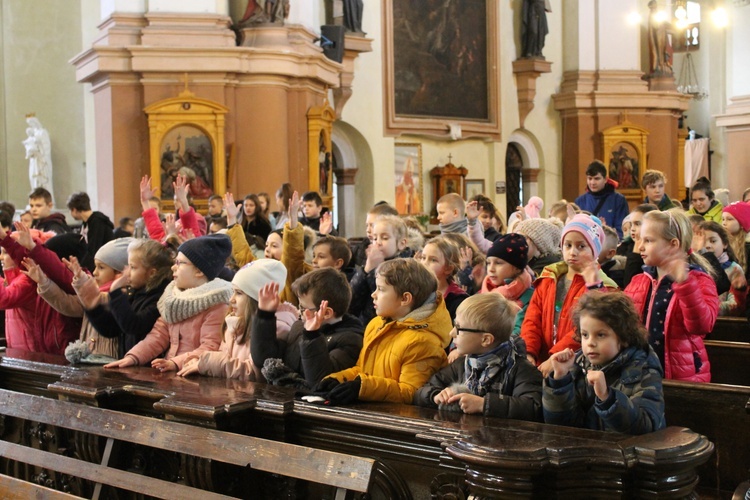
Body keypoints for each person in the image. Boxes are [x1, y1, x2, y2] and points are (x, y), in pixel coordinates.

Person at [316, 258, 452, 405]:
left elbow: (411, 392)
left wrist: (363, 388)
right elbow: (363, 370)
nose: (373, 295)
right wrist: (338, 379)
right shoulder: (376, 324)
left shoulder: (423, 342)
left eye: (380, 289)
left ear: (405, 298)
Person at [104, 234, 234, 372]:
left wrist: (175, 363)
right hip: (171, 373)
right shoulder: (172, 299)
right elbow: (157, 337)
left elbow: (210, 347)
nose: (173, 267)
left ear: (199, 271)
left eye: (180, 263)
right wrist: (133, 357)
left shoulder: (217, 305)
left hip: (196, 375)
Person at [543, 292, 666, 434]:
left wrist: (607, 397)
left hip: (629, 454)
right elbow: (561, 426)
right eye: (585, 335)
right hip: (583, 452)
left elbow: (645, 427)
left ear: (624, 337)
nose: (590, 343)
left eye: (600, 335)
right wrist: (560, 381)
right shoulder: (577, 366)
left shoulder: (642, 369)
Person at [414, 293, 542, 420]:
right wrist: (436, 395)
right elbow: (421, 391)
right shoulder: (461, 364)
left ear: (486, 339)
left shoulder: (521, 369)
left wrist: (483, 404)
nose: (451, 333)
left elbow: (533, 407)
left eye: (459, 328)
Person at [624, 209, 716, 382]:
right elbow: (620, 320)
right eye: (640, 240)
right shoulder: (639, 281)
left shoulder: (699, 280)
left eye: (648, 240)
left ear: (673, 244)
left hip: (683, 374)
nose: (640, 246)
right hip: (641, 374)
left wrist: (685, 284)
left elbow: (701, 326)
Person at [521, 214, 618, 378]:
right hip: (541, 362)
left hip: (576, 365)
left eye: (581, 246)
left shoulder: (603, 288)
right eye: (568, 245)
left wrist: (556, 356)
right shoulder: (549, 278)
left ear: (594, 250)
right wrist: (529, 352)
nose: (573, 252)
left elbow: (584, 330)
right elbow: (532, 319)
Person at [177, 259, 297, 381]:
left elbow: (255, 373)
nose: (231, 299)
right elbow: (224, 358)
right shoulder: (234, 322)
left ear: (256, 299)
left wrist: (207, 363)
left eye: (239, 293)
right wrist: (197, 361)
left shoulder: (278, 328)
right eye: (233, 292)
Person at [252, 266, 364, 389]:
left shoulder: (350, 341)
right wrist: (265, 316)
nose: (300, 313)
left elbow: (320, 383)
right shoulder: (299, 327)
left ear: (326, 313)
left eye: (303, 309)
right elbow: (264, 359)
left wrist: (312, 336)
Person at [348, 214, 413, 325]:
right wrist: (366, 270)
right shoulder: (372, 262)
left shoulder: (406, 267)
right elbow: (352, 300)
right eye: (374, 238)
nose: (377, 242)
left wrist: (373, 271)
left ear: (402, 243)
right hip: (366, 324)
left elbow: (385, 300)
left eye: (385, 238)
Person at [481, 234, 534, 337]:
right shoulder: (484, 292)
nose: (491, 269)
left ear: (517, 268)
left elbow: (519, 331)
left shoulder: (529, 297)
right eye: (488, 263)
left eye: (498, 263)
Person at [697, 221, 747, 316]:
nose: (707, 246)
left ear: (725, 244)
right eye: (702, 242)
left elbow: (736, 304)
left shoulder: (733, 269)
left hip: (723, 323)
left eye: (713, 241)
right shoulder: (694, 268)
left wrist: (706, 308)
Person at [574, 160, 630, 239]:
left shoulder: (619, 200)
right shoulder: (580, 201)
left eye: (597, 179)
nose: (592, 182)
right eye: (590, 179)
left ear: (605, 179)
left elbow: (622, 229)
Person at [418, 235, 468, 322]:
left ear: (448, 269)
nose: (424, 263)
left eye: (433, 260)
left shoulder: (457, 300)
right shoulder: (415, 291)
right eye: (423, 258)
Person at [67, 192, 115, 272]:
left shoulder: (97, 222)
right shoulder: (86, 223)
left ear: (74, 210)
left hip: (106, 264)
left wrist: (82, 270)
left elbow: (93, 250)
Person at [618, 204, 658, 288]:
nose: (632, 229)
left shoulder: (656, 250)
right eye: (631, 224)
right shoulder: (623, 248)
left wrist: (636, 250)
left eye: (637, 224)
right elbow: (628, 286)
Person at [23, 116, 55, 200]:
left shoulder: (42, 132)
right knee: (34, 179)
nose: (31, 125)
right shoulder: (33, 133)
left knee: (43, 180)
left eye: (32, 123)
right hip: (34, 160)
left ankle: (46, 200)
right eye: (29, 124)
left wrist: (39, 146)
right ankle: (35, 199)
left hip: (42, 160)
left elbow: (46, 146)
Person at [721, 201, 750, 286]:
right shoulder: (724, 242)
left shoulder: (748, 246)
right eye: (723, 219)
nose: (724, 223)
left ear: (742, 223)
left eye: (729, 219)